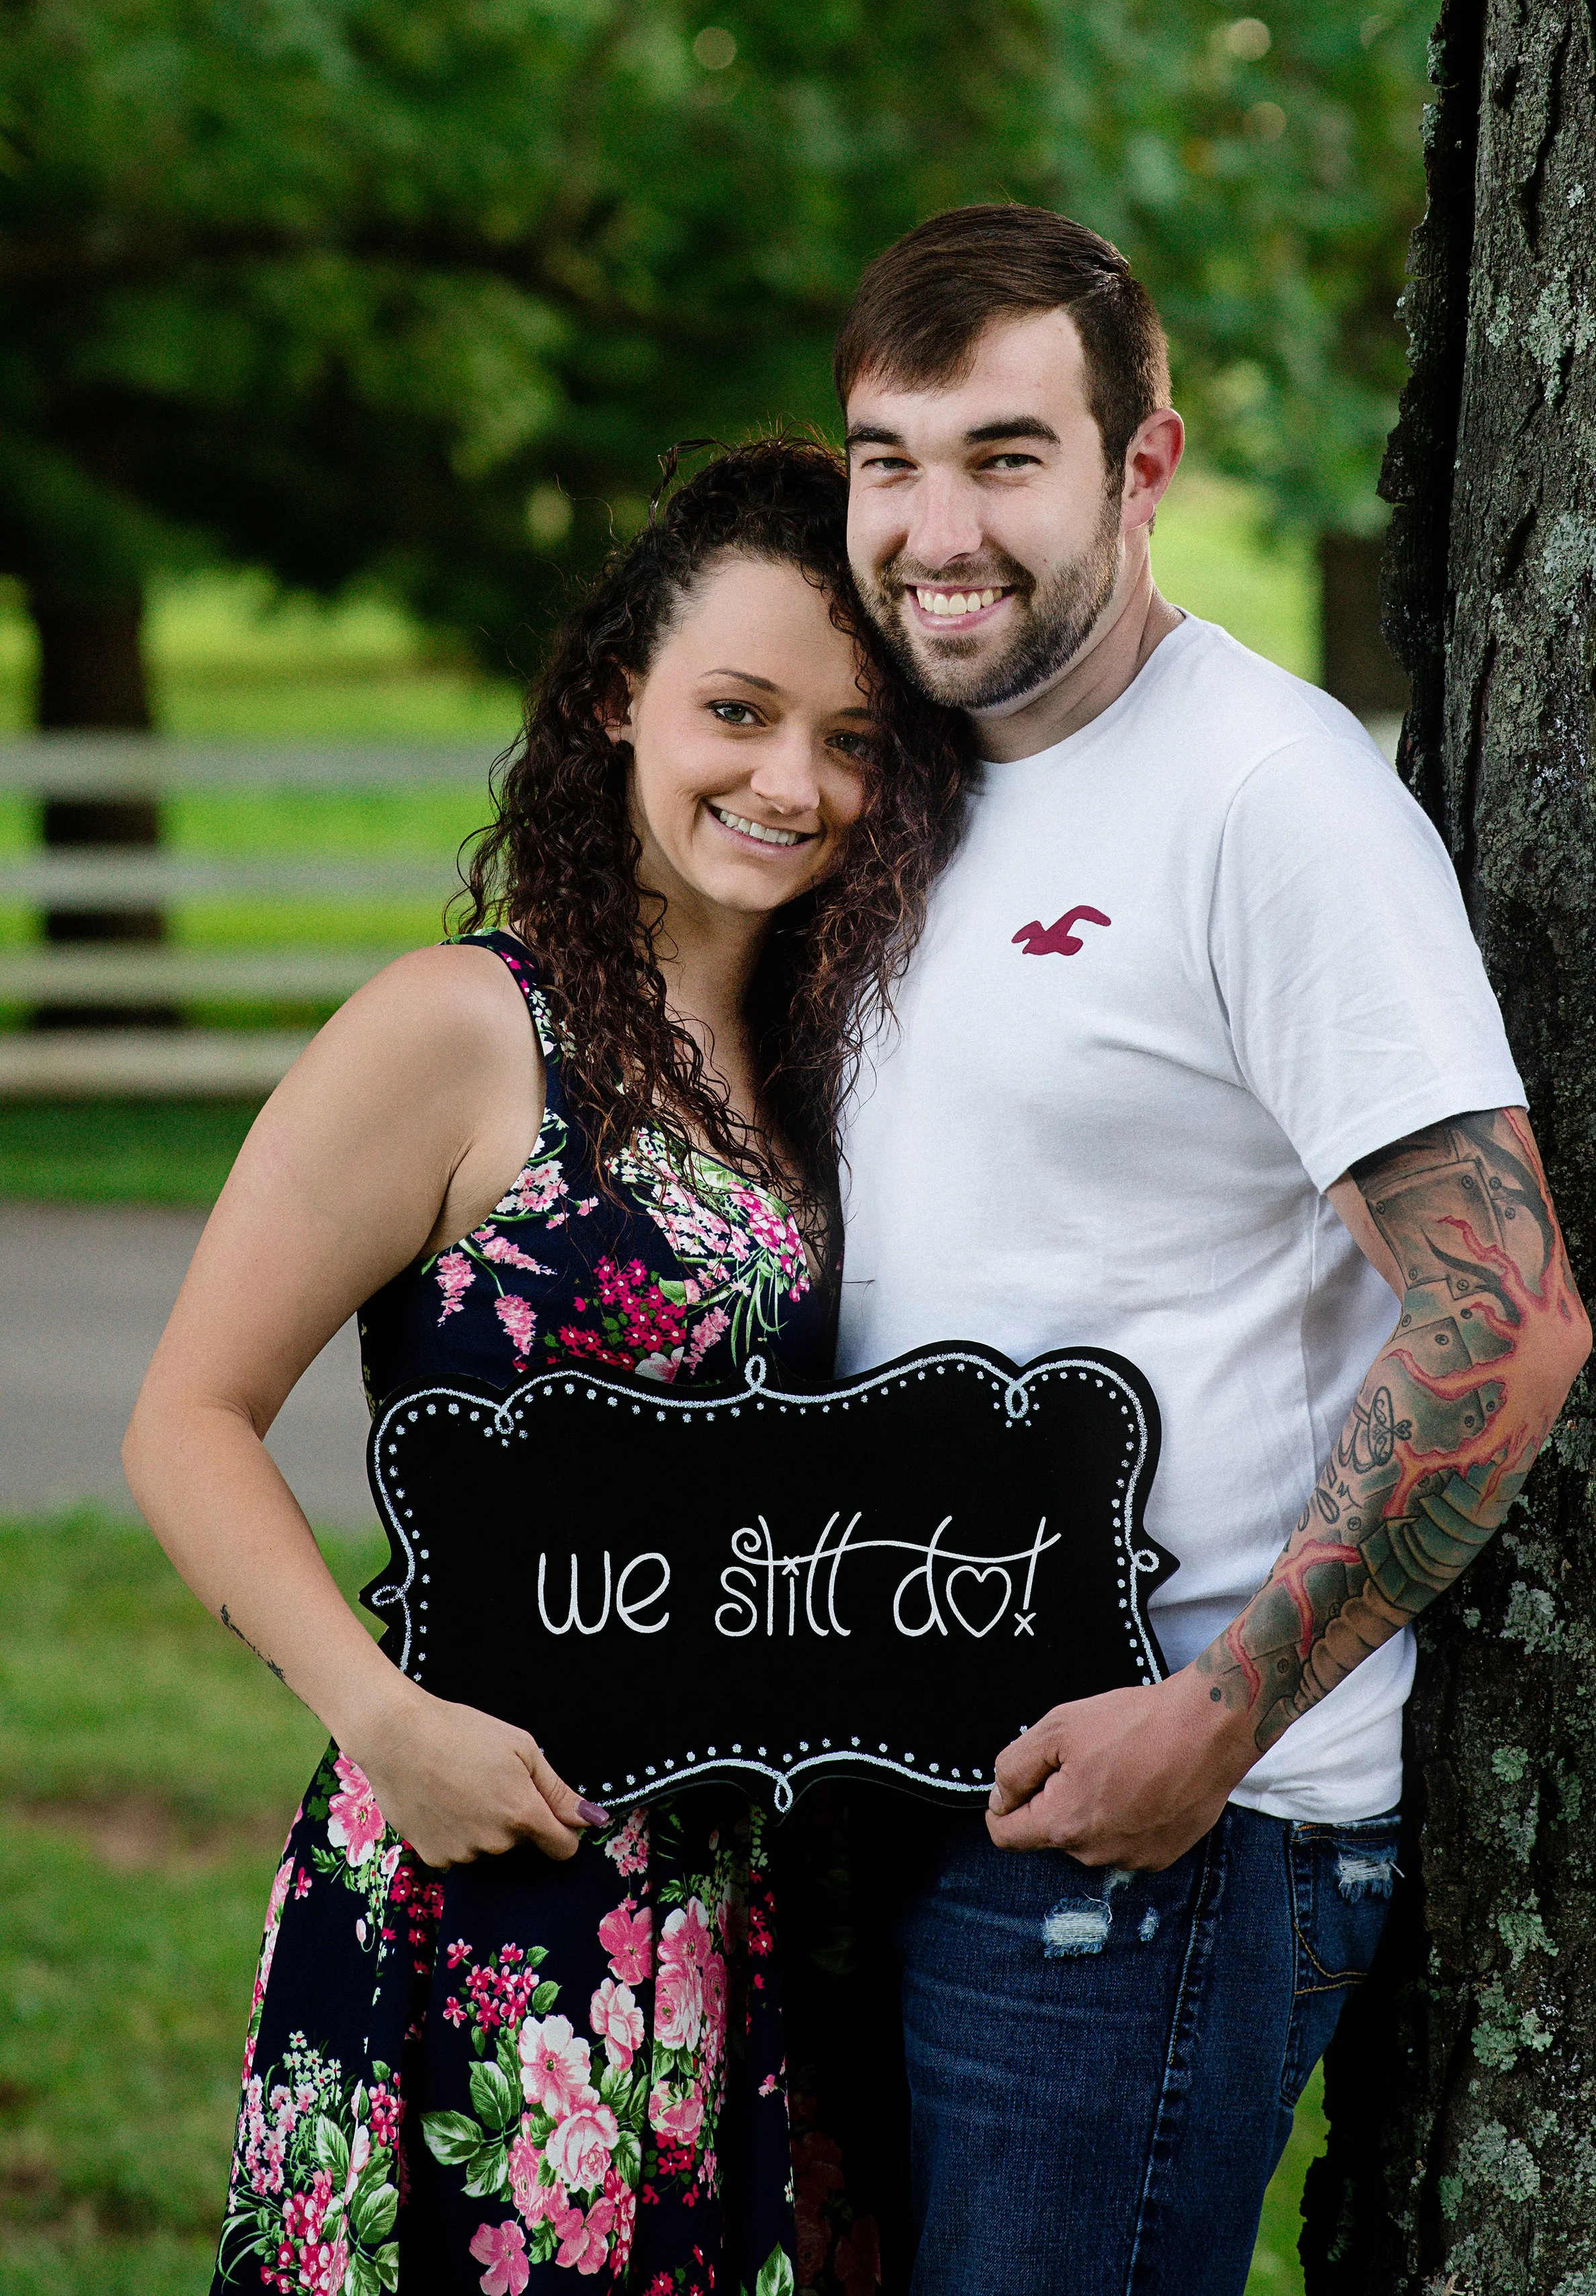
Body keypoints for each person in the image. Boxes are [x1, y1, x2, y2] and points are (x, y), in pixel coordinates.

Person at [832, 205, 1592, 2293]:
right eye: (888, 461)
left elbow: (1505, 1318)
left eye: (1004, 456)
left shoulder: (1270, 799)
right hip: (903, 1776)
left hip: (1147, 1840)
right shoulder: (904, 780)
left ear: (1138, 465)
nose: (933, 526)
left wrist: (1212, 1718)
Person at [124, 439, 969, 2296]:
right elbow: (185, 1418)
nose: (790, 781)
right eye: (735, 712)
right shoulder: (463, 1032)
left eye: (849, 739)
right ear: (616, 698)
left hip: (757, 1905)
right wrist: (384, 1718)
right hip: (482, 1873)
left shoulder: (843, 1074)